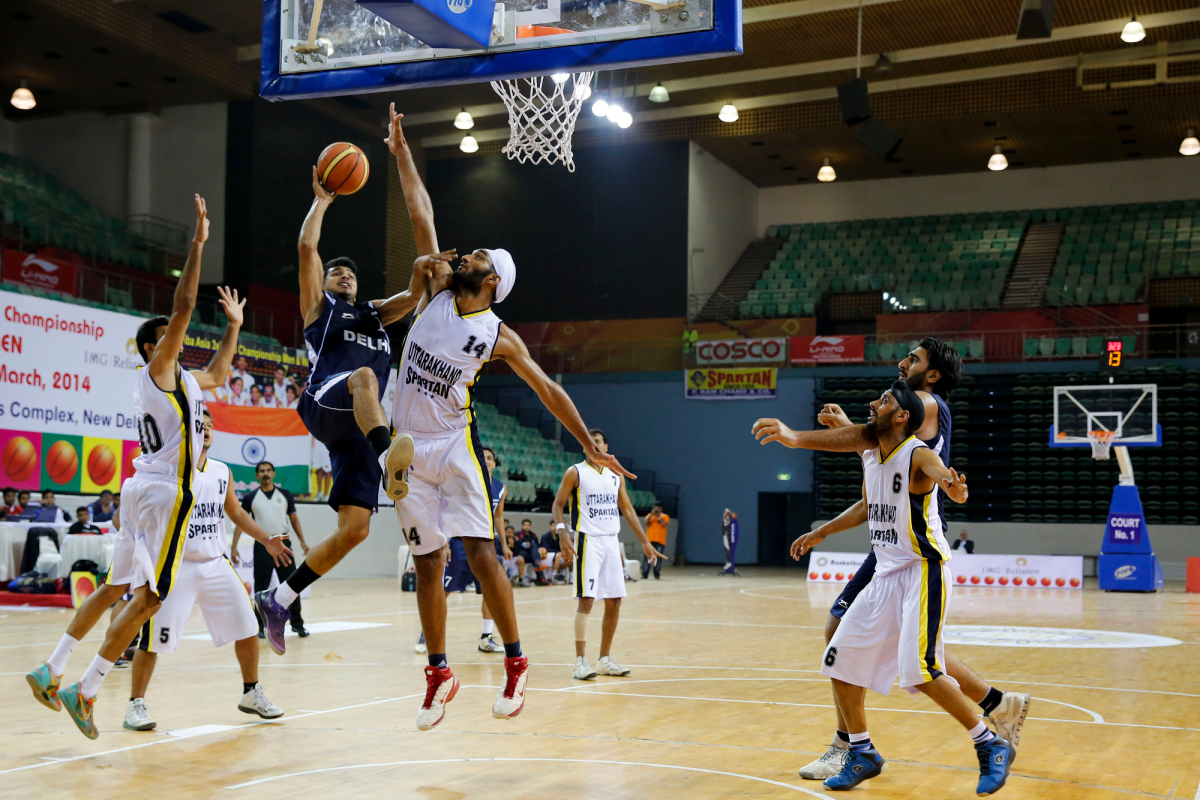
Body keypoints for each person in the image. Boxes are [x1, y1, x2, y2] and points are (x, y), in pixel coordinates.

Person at [382, 103, 635, 731]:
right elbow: (421, 213)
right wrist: (400, 153)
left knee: (480, 551)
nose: (466, 255)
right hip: (407, 445)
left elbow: (549, 390)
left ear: (493, 280)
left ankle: (516, 662)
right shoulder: (438, 284)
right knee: (427, 562)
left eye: (480, 258)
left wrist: (590, 446)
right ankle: (439, 672)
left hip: (453, 441)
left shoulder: (498, 335)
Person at [752, 336, 1030, 781]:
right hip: (889, 553)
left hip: (918, 553)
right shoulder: (889, 437)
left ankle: (850, 744)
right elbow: (870, 451)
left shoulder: (925, 403)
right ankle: (993, 703)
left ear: (931, 376)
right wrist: (823, 528)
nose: (903, 363)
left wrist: (797, 437)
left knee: (906, 660)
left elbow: (894, 447)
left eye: (914, 358)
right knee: (861, 649)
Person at [23, 196, 245, 739]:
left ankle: (52, 668)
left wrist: (234, 325)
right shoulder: (159, 370)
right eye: (169, 334)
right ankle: (89, 688)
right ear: (153, 345)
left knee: (111, 586)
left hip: (140, 485)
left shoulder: (186, 381)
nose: (179, 336)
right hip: (169, 491)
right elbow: (186, 303)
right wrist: (197, 243)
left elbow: (218, 370)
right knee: (153, 596)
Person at [250, 145, 434, 659]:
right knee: (363, 378)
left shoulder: (374, 314)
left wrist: (431, 261)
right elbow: (308, 248)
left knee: (354, 529)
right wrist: (322, 201)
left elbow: (416, 290)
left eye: (350, 273)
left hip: (360, 431)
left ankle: (279, 597)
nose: (344, 275)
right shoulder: (321, 308)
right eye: (338, 272)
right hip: (326, 400)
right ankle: (388, 457)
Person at [796, 383, 1012, 793]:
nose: (873, 403)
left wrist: (954, 487)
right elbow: (866, 505)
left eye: (884, 401)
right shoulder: (873, 455)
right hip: (885, 576)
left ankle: (990, 743)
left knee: (921, 670)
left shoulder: (918, 453)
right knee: (839, 659)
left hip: (922, 571)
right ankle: (862, 752)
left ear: (900, 417)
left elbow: (941, 475)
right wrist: (821, 532)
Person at [123, 409, 290, 731]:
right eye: (201, 426)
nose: (208, 430)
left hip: (215, 563)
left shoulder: (221, 471)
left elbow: (237, 513)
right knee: (151, 640)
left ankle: (251, 693)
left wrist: (267, 540)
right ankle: (136, 705)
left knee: (247, 626)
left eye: (211, 426)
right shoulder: (169, 470)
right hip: (176, 566)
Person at [553, 429, 658, 682]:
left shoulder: (615, 474)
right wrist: (563, 534)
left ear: (606, 446)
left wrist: (645, 541)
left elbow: (628, 509)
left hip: (611, 541)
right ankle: (580, 661)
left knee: (615, 601)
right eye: (589, 442)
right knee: (586, 600)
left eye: (597, 441)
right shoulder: (575, 472)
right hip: (587, 540)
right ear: (584, 447)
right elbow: (557, 505)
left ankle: (604, 659)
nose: (593, 445)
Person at [232, 461, 311, 638]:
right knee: (261, 588)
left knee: (293, 585)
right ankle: (259, 626)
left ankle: (297, 624)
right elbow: (240, 523)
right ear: (256, 475)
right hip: (262, 546)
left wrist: (303, 541)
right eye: (262, 471)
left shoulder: (285, 495)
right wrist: (234, 547)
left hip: (283, 545)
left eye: (268, 470)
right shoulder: (250, 498)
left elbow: (294, 519)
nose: (265, 473)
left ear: (274, 473)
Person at [642, 503, 668, 579]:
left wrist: (658, 516)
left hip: (660, 540)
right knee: (647, 557)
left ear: (661, 509)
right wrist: (652, 515)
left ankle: (656, 574)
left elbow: (665, 524)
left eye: (658, 508)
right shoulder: (649, 515)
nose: (656, 510)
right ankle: (645, 574)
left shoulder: (664, 516)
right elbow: (646, 522)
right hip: (649, 540)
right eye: (655, 508)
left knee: (659, 558)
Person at [512, 520, 540, 587]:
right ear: (522, 526)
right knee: (533, 548)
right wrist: (522, 544)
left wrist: (530, 545)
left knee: (533, 545)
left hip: (530, 553)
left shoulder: (533, 535)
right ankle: (537, 563)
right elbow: (515, 545)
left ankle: (539, 577)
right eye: (525, 525)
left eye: (528, 525)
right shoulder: (517, 534)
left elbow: (537, 546)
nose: (526, 527)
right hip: (520, 553)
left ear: (530, 526)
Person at [720, 509, 739, 576]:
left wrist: (729, 513)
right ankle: (728, 562)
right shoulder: (726, 519)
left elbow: (733, 516)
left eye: (725, 512)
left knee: (727, 549)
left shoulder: (728, 519)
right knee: (726, 549)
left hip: (726, 537)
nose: (724, 513)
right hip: (725, 536)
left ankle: (729, 563)